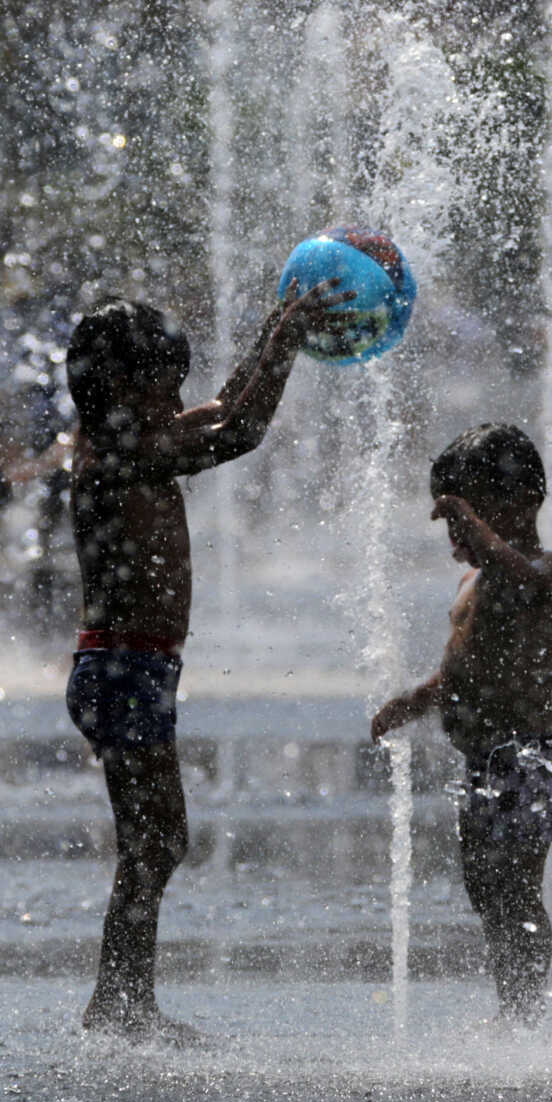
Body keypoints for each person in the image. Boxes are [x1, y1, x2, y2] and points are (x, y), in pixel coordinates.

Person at [64, 282, 345, 1041]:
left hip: (136, 670)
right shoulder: (116, 459)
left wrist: (275, 327)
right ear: (122, 387)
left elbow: (223, 409)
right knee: (155, 840)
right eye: (166, 386)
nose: (179, 399)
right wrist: (286, 344)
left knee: (156, 839)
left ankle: (123, 998)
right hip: (122, 671)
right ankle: (119, 1001)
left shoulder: (134, 442)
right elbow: (243, 430)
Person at [371, 424, 552, 1025]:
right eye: (454, 525)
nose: (457, 538)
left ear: (526, 504)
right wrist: (410, 703)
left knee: (518, 887)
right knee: (485, 887)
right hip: (480, 759)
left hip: (528, 756)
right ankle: (510, 998)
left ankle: (525, 1013)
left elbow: (516, 571)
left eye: (467, 520)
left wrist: (479, 533)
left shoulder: (544, 570)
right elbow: (454, 671)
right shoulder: (475, 581)